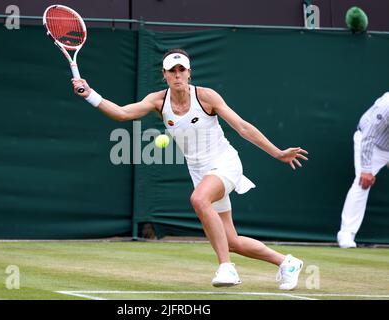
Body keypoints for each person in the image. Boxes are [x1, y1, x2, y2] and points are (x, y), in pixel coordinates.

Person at [72, 48, 308, 290]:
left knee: (198, 199)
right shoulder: (157, 101)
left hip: (225, 163)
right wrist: (90, 94)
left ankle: (227, 267)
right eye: (172, 70)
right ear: (164, 74)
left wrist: (277, 152)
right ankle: (287, 263)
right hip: (200, 172)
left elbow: (242, 127)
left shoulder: (206, 97)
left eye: (181, 69)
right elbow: (122, 114)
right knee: (231, 240)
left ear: (189, 73)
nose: (177, 75)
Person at [337, 92, 389, 248]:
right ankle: (346, 234)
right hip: (371, 144)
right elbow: (369, 136)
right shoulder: (386, 106)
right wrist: (366, 170)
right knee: (362, 183)